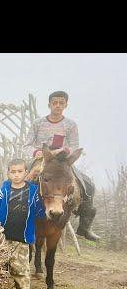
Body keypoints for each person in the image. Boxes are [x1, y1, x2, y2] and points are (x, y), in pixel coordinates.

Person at [23, 91, 100, 241]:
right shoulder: (38, 123)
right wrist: (37, 152)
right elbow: (26, 145)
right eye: (55, 102)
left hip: (63, 162)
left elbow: (74, 145)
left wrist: (65, 151)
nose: (58, 105)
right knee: (19, 178)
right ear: (49, 104)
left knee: (88, 184)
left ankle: (85, 227)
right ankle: (15, 214)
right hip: (41, 159)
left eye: (61, 103)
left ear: (65, 105)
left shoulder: (71, 124)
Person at [0, 158, 45, 289]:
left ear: (26, 173)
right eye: (13, 172)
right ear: (8, 173)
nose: (16, 175)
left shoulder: (33, 191)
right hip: (2, 237)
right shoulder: (4, 190)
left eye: (20, 171)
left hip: (22, 238)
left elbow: (40, 211)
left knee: (20, 270)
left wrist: (45, 213)